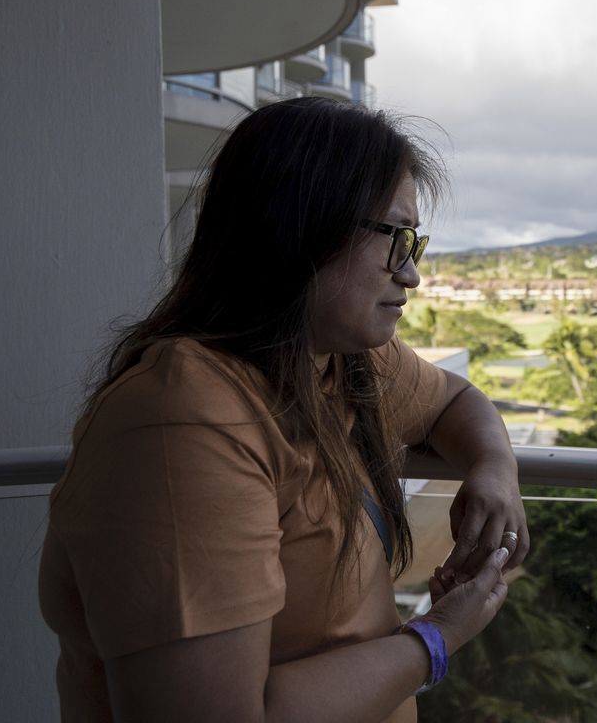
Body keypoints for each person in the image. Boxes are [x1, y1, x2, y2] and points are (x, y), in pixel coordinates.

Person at [38, 97, 529, 722]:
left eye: (416, 244)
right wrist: (437, 637)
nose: (411, 275)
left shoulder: (336, 361)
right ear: (303, 226)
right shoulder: (184, 421)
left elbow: (456, 400)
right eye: (395, 238)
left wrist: (494, 469)